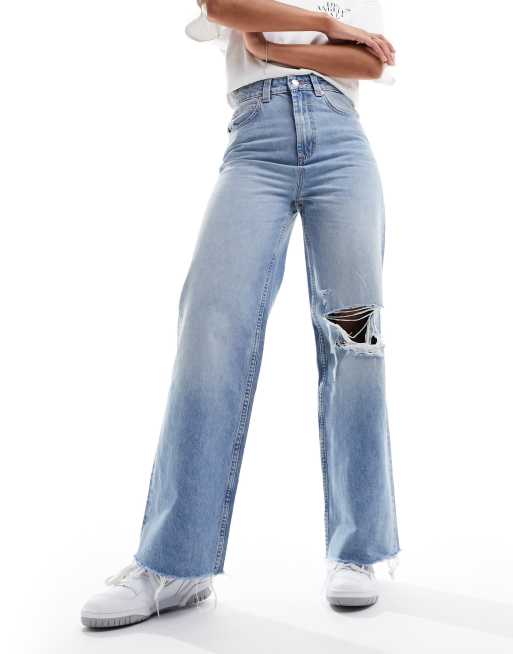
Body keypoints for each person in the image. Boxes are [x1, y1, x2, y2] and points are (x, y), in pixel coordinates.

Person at [81, 0, 400, 629]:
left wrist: (273, 47)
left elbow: (367, 63)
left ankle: (359, 550)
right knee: (210, 328)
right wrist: (330, 26)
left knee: (355, 339)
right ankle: (175, 564)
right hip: (256, 148)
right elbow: (223, 6)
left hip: (343, 150)